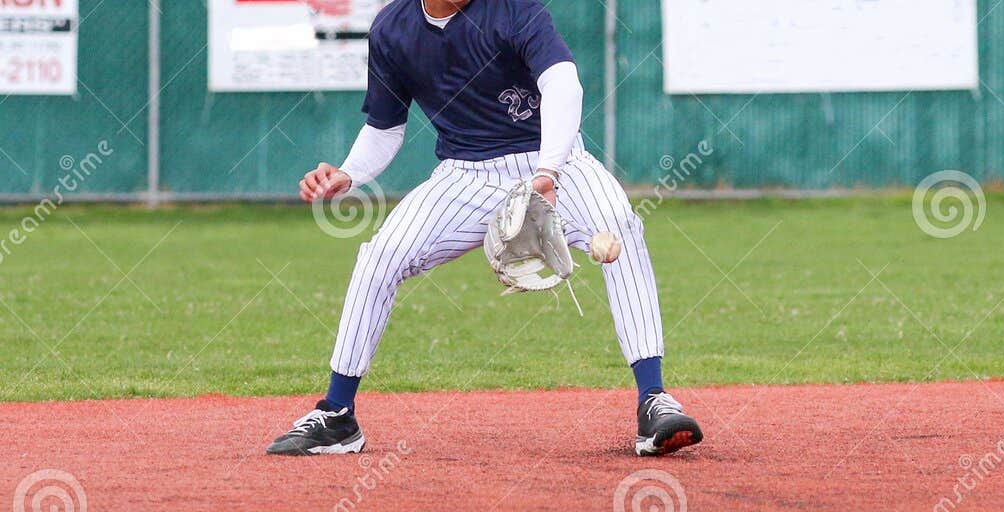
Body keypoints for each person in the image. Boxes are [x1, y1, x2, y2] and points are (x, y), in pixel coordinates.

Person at [267, 0, 702, 457]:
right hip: (465, 175)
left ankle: (654, 400)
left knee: (621, 229)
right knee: (381, 256)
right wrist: (350, 173)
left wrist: (549, 172)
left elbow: (562, 83)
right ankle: (337, 414)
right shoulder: (393, 29)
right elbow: (384, 127)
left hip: (554, 160)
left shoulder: (514, 8)